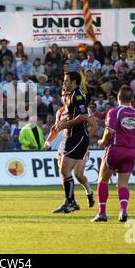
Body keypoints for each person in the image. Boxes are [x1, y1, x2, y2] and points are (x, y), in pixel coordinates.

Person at [92, 86, 135, 223]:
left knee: (103, 180)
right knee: (123, 183)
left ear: (118, 98)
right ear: (132, 99)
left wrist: (102, 141)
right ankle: (123, 210)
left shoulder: (114, 112)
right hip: (131, 152)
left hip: (115, 150)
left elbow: (109, 132)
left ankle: (102, 213)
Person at [46, 89, 98, 210]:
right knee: (64, 174)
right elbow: (56, 129)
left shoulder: (82, 110)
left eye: (67, 95)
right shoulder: (60, 112)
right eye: (64, 95)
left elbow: (94, 126)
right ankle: (72, 201)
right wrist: (48, 141)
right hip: (65, 143)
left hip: (79, 143)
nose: (65, 97)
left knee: (78, 174)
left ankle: (89, 191)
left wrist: (85, 140)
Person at [52, 72, 90, 214]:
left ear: (74, 82)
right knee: (64, 171)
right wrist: (61, 124)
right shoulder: (70, 95)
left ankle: (70, 202)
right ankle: (70, 202)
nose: (64, 83)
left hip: (78, 137)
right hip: (72, 136)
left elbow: (84, 116)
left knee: (65, 170)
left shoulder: (77, 95)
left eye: (66, 81)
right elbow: (73, 115)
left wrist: (66, 124)